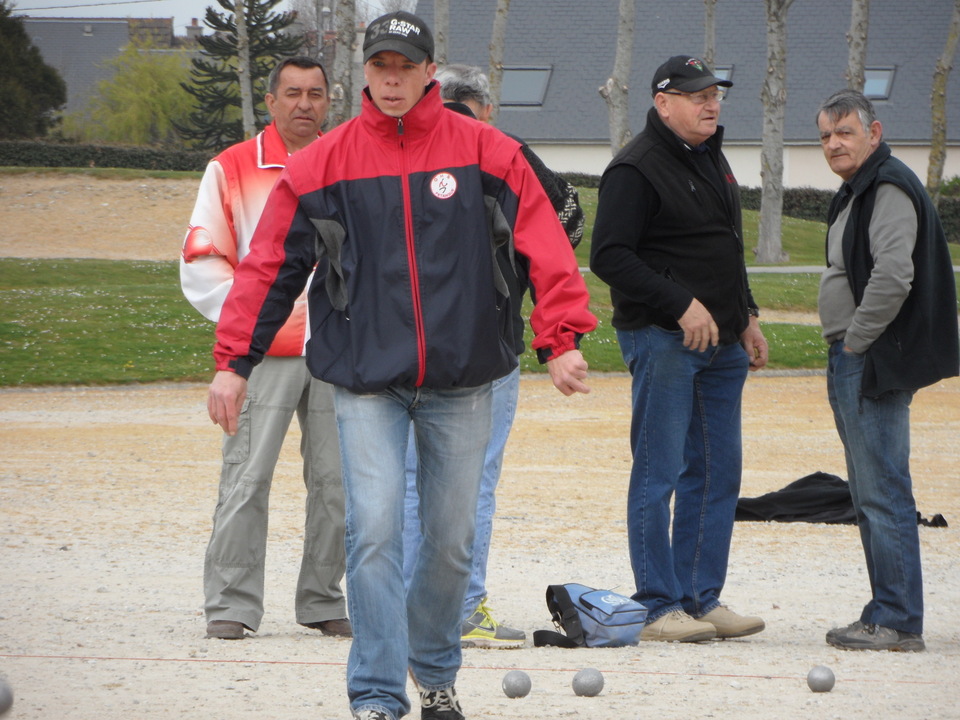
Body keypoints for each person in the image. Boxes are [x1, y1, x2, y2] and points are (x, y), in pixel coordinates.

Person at [206, 12, 596, 720]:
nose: (391, 80)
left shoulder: (489, 152)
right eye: (380, 66)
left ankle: (436, 676)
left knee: (449, 546)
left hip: (463, 381)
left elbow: (544, 243)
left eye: (404, 67)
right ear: (365, 73)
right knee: (375, 534)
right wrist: (235, 361)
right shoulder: (322, 163)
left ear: (428, 72)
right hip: (366, 384)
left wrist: (560, 337)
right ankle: (377, 695)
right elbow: (269, 268)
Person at [400, 63, 585, 650]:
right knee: (471, 478)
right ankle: (460, 607)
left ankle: (400, 607)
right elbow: (568, 221)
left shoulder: (396, 144)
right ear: (482, 107)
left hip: (400, 338)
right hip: (486, 336)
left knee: (407, 479)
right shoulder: (504, 149)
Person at [590, 55, 768, 643]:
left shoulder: (710, 154)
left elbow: (726, 245)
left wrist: (746, 315)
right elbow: (609, 256)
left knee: (717, 473)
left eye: (714, 94)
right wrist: (680, 303)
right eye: (697, 96)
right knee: (659, 471)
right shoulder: (635, 168)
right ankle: (657, 604)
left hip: (723, 342)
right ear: (663, 103)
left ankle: (699, 596)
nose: (710, 104)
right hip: (664, 337)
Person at [180, 56, 350, 641]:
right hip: (263, 353)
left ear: (329, 101)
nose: (305, 104)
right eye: (293, 93)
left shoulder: (344, 163)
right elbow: (203, 260)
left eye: (316, 94)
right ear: (271, 101)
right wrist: (256, 327)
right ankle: (231, 602)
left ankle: (323, 597)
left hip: (337, 349)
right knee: (246, 478)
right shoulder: (230, 168)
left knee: (338, 482)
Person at [815, 89, 959, 652]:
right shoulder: (860, 189)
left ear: (873, 134)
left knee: (882, 491)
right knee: (868, 490)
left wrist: (856, 341)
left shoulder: (888, 186)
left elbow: (894, 275)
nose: (833, 144)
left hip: (870, 358)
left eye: (844, 132)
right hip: (858, 354)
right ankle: (888, 612)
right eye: (826, 136)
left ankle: (897, 620)